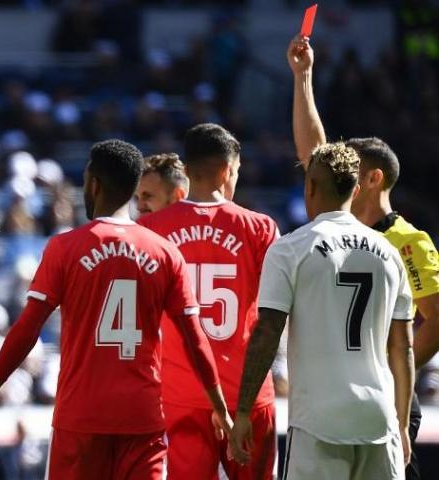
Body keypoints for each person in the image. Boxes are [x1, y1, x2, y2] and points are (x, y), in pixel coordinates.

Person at [0, 139, 232, 480]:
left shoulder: (65, 247)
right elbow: (195, 339)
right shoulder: (166, 253)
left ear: (93, 184)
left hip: (81, 419)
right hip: (142, 419)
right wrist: (220, 406)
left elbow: (27, 330)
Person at [288, 35, 439, 479]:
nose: (338, 172)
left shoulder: (408, 241)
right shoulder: (339, 225)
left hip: (384, 396)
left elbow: (437, 318)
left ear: (372, 179)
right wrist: (303, 77)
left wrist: (394, 368)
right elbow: (314, 154)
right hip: (334, 394)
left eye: (350, 168)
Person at [230, 143, 414, 480]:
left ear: (309, 187)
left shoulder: (290, 249)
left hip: (319, 421)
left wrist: (243, 412)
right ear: (355, 190)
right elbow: (402, 348)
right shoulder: (389, 253)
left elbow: (267, 333)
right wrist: (401, 424)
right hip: (379, 417)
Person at [139, 124, 279, 480]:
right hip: (245, 394)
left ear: (186, 170)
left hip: (179, 391)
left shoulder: (152, 229)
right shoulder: (260, 228)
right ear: (226, 170)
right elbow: (274, 315)